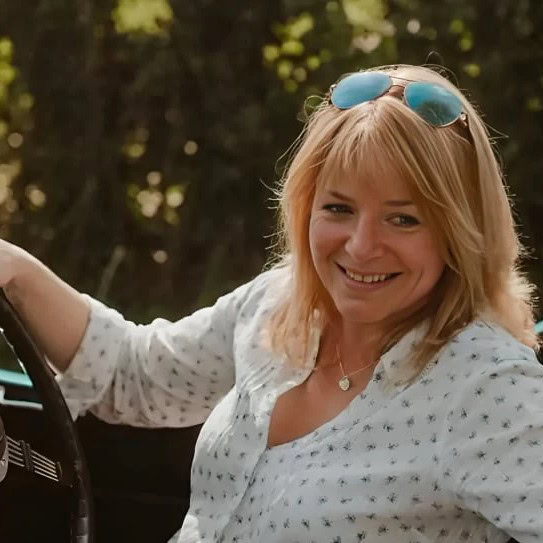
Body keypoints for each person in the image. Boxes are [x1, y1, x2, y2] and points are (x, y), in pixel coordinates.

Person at [1, 63, 542, 543]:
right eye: (338, 208)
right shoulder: (277, 304)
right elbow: (133, 372)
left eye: (403, 219)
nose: (361, 246)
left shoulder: (488, 388)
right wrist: (15, 271)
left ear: (460, 231)